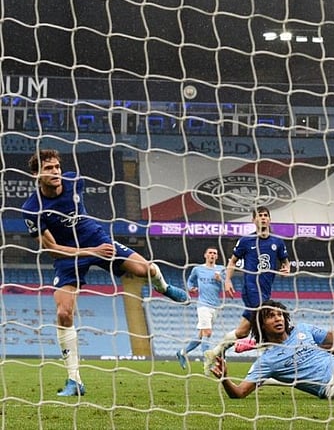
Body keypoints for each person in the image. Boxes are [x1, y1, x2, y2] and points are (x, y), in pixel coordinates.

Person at [21, 149, 189, 397]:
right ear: (36, 174)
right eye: (49, 169)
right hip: (70, 256)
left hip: (96, 238)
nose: (55, 172)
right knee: (63, 313)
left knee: (147, 269)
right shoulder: (31, 208)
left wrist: (96, 248)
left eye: (57, 167)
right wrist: (91, 252)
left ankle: (162, 287)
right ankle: (74, 380)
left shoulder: (75, 182)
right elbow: (53, 250)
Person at [203, 206, 290, 373]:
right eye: (259, 216)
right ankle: (268, 364)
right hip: (251, 288)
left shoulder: (277, 242)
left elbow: (286, 262)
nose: (263, 218)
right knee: (268, 319)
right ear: (253, 220)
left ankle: (213, 353)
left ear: (269, 220)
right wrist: (227, 280)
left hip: (265, 290)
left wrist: (287, 269)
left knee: (242, 331)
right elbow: (232, 261)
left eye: (266, 215)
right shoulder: (245, 241)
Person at [176, 246, 226, 369]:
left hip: (215, 306)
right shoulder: (197, 269)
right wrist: (190, 288)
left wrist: (221, 280)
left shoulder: (221, 269)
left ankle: (182, 353)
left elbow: (227, 286)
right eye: (210, 253)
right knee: (207, 333)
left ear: (217, 256)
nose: (212, 255)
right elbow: (190, 281)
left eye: (214, 253)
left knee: (200, 336)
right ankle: (207, 362)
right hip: (203, 305)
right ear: (205, 255)